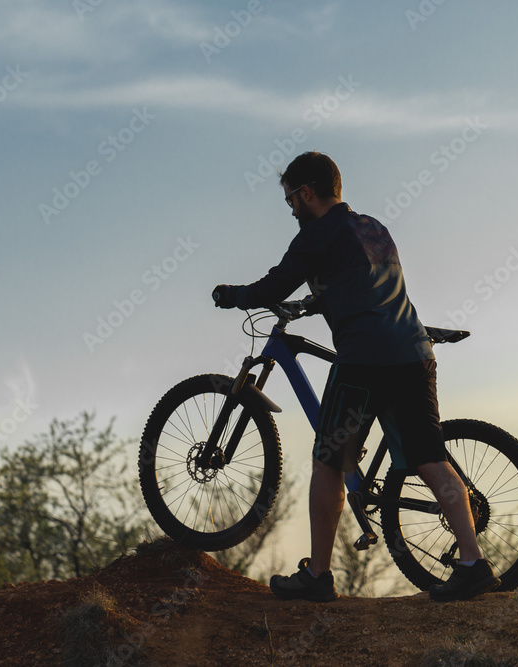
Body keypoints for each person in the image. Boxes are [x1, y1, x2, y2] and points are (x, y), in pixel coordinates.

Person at [213, 151, 498, 602]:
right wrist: (314, 304)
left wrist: (232, 295)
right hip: (413, 349)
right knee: (429, 456)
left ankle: (318, 575)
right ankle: (472, 562)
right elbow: (356, 281)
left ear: (306, 192)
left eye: (289, 198)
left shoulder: (317, 234)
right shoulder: (373, 228)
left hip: (365, 358)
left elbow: (273, 286)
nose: (289, 208)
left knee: (329, 460)